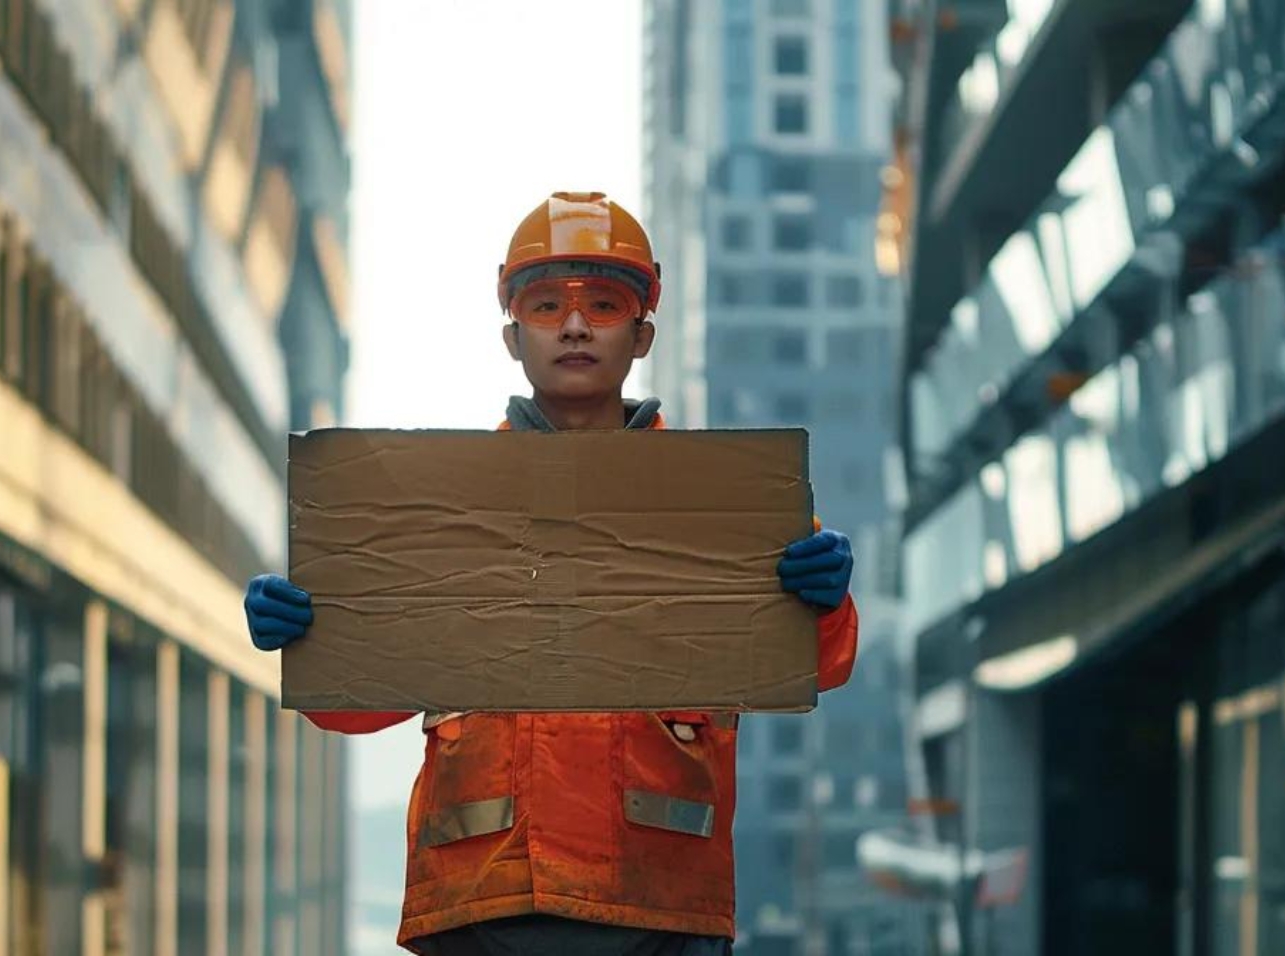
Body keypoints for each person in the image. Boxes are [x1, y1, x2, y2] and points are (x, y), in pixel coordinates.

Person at [244, 192, 858, 955]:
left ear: (642, 334)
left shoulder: (719, 504)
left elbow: (822, 664)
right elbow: (357, 706)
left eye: (602, 304)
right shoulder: (441, 504)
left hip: (655, 910)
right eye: (546, 305)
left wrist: (826, 601)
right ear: (513, 336)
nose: (573, 325)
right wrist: (308, 631)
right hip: (485, 905)